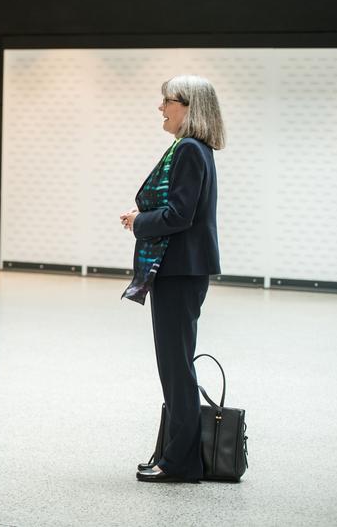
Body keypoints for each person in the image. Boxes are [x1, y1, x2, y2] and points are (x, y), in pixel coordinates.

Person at [120, 74, 224, 483]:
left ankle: (181, 462)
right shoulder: (192, 150)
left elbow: (180, 216)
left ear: (189, 105)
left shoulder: (190, 151)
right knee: (174, 364)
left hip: (180, 271)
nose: (161, 108)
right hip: (182, 270)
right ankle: (176, 454)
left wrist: (138, 220)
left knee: (176, 367)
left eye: (167, 101)